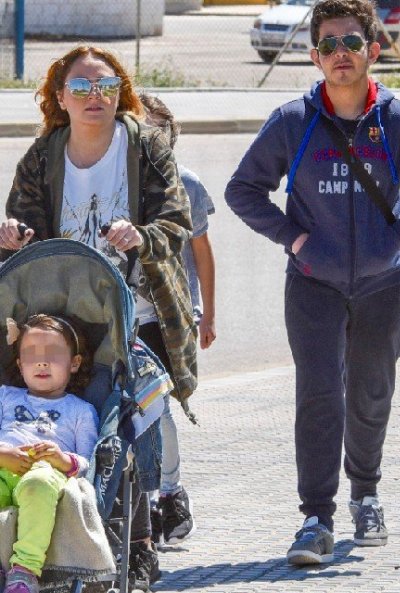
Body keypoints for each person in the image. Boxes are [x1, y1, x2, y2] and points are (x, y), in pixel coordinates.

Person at [225, 0, 400, 566]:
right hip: (312, 285)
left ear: (372, 49)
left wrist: (399, 237)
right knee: (318, 398)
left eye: (351, 42)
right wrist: (296, 241)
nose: (341, 53)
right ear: (315, 56)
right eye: (329, 45)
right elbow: (242, 190)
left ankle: (366, 493)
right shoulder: (294, 122)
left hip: (381, 288)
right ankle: (316, 518)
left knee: (370, 395)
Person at [0, 45, 197, 590]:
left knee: (135, 421)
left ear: (121, 92)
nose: (95, 98)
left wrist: (143, 236)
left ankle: (143, 535)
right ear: (59, 97)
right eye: (81, 88)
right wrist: (12, 235)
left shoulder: (146, 146)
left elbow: (177, 221)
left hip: (140, 305)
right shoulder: (43, 156)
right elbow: (24, 229)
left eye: (106, 87)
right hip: (62, 313)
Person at [140, 92, 216, 546]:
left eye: (156, 129)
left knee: (159, 406)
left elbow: (202, 255)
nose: (148, 138)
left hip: (168, 317)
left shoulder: (187, 184)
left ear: (170, 133)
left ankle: (169, 492)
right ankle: (133, 497)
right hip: (119, 313)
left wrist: (206, 314)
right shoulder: (117, 178)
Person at [0, 314, 98, 593]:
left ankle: (25, 571)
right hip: (3, 464)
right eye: (31, 355)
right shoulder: (5, 397)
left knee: (38, 483)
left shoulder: (80, 410)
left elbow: (88, 463)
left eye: (53, 354)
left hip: (46, 473)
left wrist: (61, 459)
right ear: (20, 364)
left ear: (74, 363)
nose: (41, 362)